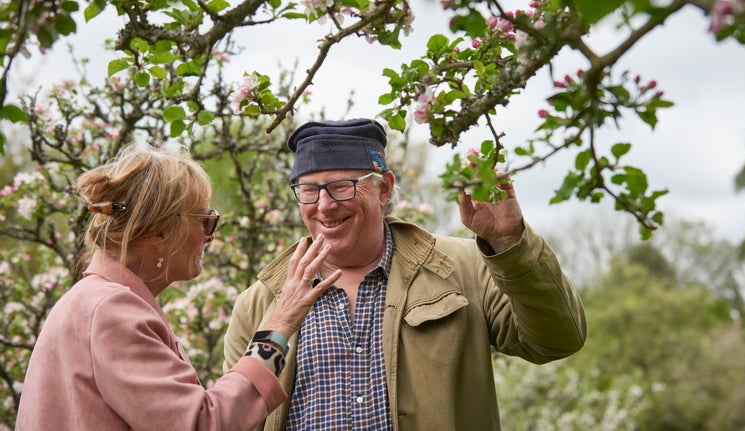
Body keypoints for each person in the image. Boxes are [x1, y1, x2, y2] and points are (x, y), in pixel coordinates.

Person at [222, 118, 587, 431]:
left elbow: (558, 340)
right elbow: (232, 419)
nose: (324, 205)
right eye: (308, 190)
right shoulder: (260, 304)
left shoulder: (464, 268)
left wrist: (510, 244)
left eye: (341, 187)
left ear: (384, 188)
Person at [15, 144, 341, 431]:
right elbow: (202, 423)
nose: (210, 235)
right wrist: (280, 323)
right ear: (159, 231)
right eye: (205, 221)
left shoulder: (92, 300)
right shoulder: (111, 311)